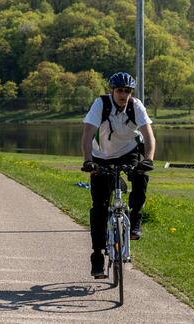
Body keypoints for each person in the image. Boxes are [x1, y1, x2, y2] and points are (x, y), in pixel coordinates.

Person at [81, 71, 156, 279]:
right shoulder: (100, 105)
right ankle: (97, 256)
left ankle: (136, 217)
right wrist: (88, 161)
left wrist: (148, 159)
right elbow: (87, 134)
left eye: (127, 91)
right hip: (101, 155)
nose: (123, 95)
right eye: (120, 91)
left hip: (128, 151)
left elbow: (149, 136)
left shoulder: (136, 106)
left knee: (141, 175)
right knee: (99, 207)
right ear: (111, 91)